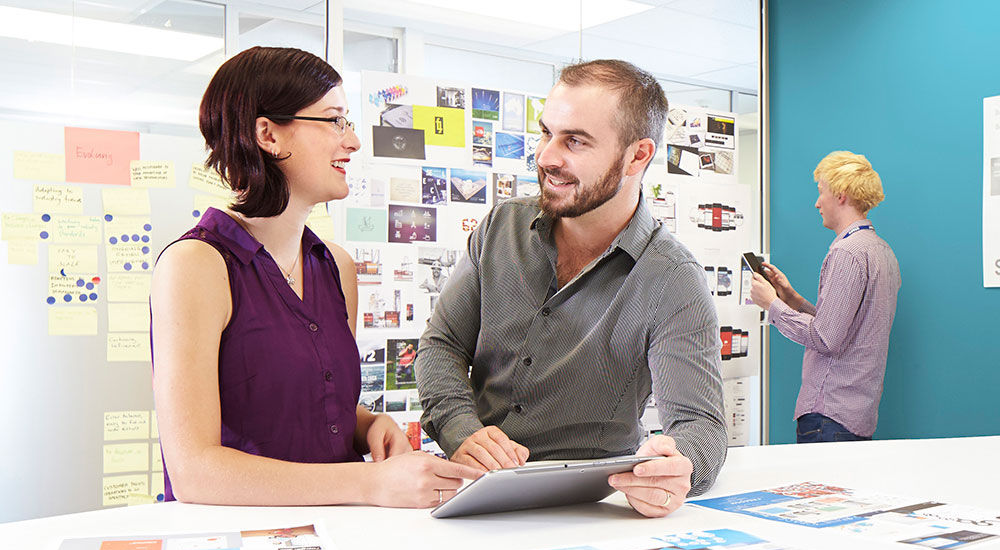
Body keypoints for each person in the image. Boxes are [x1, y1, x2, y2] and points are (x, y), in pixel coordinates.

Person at [151, 47, 479, 507]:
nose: (352, 142)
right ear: (268, 134)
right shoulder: (197, 265)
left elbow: (303, 403)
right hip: (235, 544)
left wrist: (367, 425)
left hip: (334, 535)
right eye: (335, 121)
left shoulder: (336, 267)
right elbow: (194, 472)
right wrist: (370, 484)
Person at [415, 60, 727, 518]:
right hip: (470, 495)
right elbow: (441, 346)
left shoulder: (671, 277)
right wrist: (462, 430)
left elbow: (701, 425)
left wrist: (679, 468)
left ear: (638, 156)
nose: (546, 157)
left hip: (586, 513)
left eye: (575, 141)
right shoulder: (502, 227)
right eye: (546, 133)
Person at [750, 151, 900, 442]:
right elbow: (843, 327)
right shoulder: (882, 251)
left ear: (841, 194)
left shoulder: (846, 253)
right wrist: (791, 298)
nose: (817, 203)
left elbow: (825, 339)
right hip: (857, 415)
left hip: (829, 416)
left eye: (821, 192)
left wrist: (772, 305)